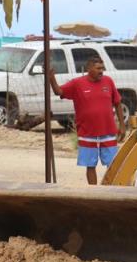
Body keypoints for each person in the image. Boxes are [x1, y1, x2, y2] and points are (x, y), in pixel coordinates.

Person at [47, 55, 126, 185]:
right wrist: (51, 78)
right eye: (98, 68)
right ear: (89, 69)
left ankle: (111, 190)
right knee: (90, 165)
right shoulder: (77, 83)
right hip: (87, 132)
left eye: (102, 68)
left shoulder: (108, 81)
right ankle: (93, 192)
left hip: (108, 131)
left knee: (113, 164)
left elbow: (117, 103)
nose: (101, 71)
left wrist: (122, 126)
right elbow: (58, 91)